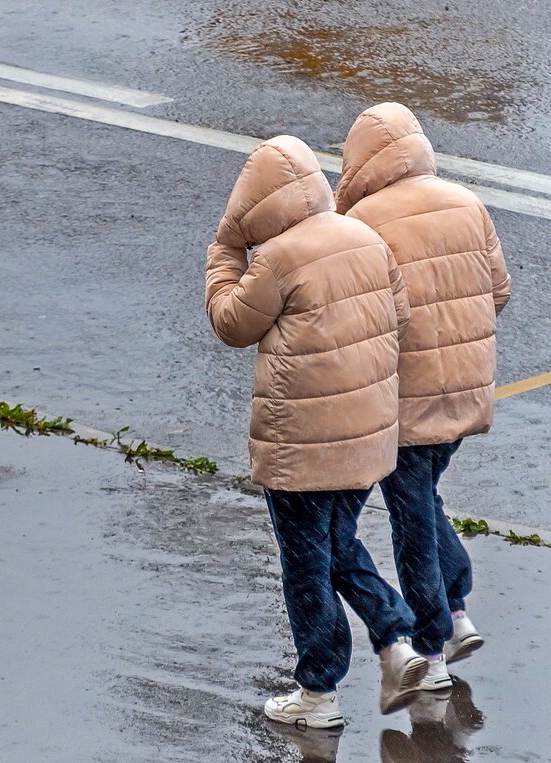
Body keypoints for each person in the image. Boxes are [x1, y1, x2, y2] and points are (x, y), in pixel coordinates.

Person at [205, 134, 428, 728]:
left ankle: (318, 693)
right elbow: (400, 317)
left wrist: (225, 256)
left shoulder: (279, 258)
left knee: (306, 564)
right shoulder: (366, 237)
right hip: (369, 437)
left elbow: (230, 323)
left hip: (301, 444)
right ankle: (395, 640)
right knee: (337, 544)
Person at [335, 103, 512, 690]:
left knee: (410, 514)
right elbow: (499, 293)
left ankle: (433, 646)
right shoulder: (467, 202)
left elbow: (358, 317)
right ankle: (457, 605)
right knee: (422, 495)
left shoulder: (363, 222)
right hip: (466, 388)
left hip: (404, 396)